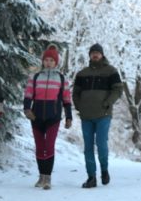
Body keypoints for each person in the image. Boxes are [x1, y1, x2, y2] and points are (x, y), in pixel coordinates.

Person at [72, 43, 124, 188]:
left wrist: (108, 102)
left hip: (103, 114)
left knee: (101, 144)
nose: (95, 55)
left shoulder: (111, 71)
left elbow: (118, 90)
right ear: (89, 55)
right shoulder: (82, 73)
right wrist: (79, 106)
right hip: (86, 116)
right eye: (92, 52)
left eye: (97, 53)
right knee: (88, 147)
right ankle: (91, 177)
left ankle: (104, 170)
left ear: (102, 55)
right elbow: (75, 93)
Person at [24, 44, 72, 190]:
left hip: (53, 117)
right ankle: (41, 176)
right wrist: (27, 109)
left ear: (56, 62)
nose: (49, 62)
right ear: (43, 61)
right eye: (46, 60)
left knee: (49, 145)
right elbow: (28, 94)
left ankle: (48, 178)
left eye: (52, 60)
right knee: (39, 146)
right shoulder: (35, 76)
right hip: (36, 116)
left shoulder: (62, 79)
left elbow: (66, 99)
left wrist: (68, 117)